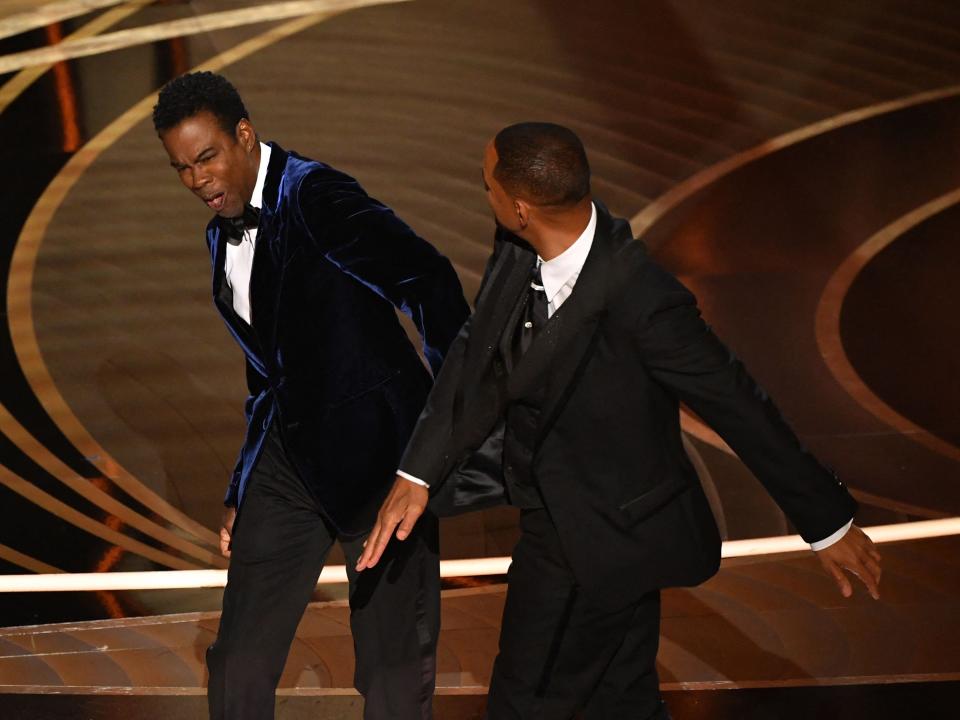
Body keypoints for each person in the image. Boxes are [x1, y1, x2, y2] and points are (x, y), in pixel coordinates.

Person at [357, 122, 882, 719]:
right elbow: (477, 351)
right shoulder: (517, 246)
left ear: (522, 208)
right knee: (622, 700)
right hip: (577, 522)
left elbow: (737, 403)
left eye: (488, 186)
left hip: (597, 533)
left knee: (523, 704)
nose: (486, 194)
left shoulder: (643, 299)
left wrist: (827, 523)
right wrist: (420, 471)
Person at [153, 71, 469, 720]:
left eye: (207, 157)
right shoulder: (220, 233)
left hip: (382, 467)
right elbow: (268, 369)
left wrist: (435, 444)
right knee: (238, 661)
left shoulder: (315, 195)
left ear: (244, 135)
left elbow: (430, 283)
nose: (197, 181)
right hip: (290, 462)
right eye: (181, 168)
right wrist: (243, 487)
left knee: (390, 672)